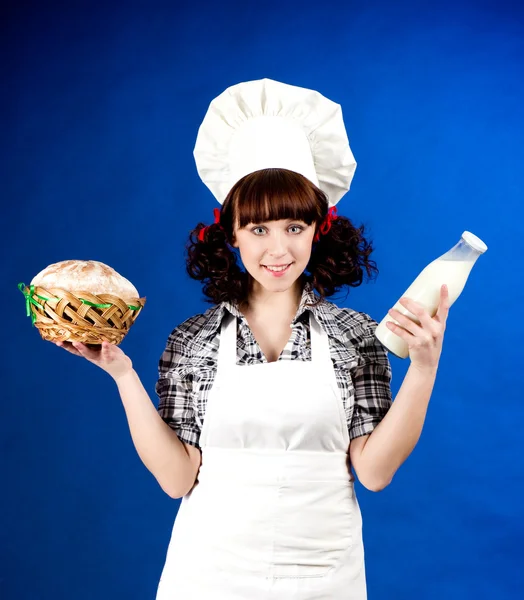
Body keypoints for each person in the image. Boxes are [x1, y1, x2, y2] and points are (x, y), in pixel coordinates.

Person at [56, 79, 449, 599]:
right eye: (258, 230)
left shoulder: (356, 336)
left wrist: (423, 368)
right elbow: (178, 480)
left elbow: (374, 473)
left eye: (293, 226)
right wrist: (122, 375)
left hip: (324, 577)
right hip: (208, 575)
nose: (278, 249)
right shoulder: (192, 341)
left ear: (318, 228)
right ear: (231, 233)